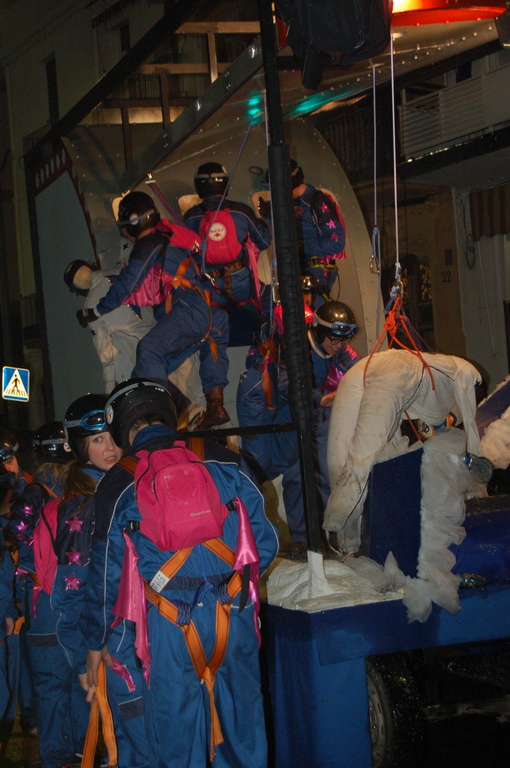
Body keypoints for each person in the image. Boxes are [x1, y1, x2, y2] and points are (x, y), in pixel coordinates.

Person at [83, 378, 279, 768]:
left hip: (169, 624)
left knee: (178, 742)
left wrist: (95, 642)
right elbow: (266, 542)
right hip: (233, 615)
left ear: (122, 427)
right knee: (243, 732)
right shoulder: (226, 459)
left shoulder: (117, 483)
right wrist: (231, 587)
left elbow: (105, 576)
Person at [76, 191, 230, 428]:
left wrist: (95, 312)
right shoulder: (173, 238)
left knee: (148, 350)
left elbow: (128, 283)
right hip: (206, 311)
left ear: (131, 226)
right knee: (143, 373)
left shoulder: (150, 243)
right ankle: (203, 408)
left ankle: (162, 418)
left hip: (186, 309)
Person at [324, 349, 484, 554]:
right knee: (365, 453)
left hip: (366, 368)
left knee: (344, 453)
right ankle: (342, 525)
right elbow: (470, 431)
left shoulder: (446, 378)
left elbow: (434, 426)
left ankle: (348, 542)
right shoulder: (467, 376)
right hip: (401, 370)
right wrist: (477, 485)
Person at [237, 300, 359, 559]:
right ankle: (244, 539)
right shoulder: (293, 346)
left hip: (296, 407)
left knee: (298, 471)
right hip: (261, 399)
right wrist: (324, 399)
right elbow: (287, 386)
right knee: (257, 471)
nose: (338, 346)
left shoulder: (336, 346)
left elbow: (358, 369)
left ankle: (304, 541)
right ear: (319, 332)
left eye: (343, 341)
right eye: (334, 340)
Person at [8, 421, 90, 768]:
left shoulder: (33, 493)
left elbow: (15, 534)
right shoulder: (85, 486)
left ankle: (57, 758)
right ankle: (86, 751)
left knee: (50, 686)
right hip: (80, 595)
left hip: (42, 601)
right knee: (82, 678)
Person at [184, 161, 271, 311]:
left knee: (216, 331)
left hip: (209, 288)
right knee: (256, 318)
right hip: (242, 286)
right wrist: (266, 220)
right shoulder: (242, 211)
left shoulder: (190, 217)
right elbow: (264, 241)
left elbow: (185, 253)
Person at [64, 259, 154, 394]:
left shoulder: (91, 310)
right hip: (166, 324)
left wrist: (110, 387)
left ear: (76, 290)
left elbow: (105, 354)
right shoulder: (118, 269)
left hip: (149, 353)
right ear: (90, 265)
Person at [0, 427, 38, 739]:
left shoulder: (31, 490)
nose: (8, 466)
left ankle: (30, 717)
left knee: (27, 665)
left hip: (27, 588)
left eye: (10, 458)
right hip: (6, 599)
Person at [260, 159, 346, 297]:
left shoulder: (317, 201)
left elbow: (336, 241)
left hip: (315, 272)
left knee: (310, 314)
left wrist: (301, 247)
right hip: (292, 268)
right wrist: (268, 217)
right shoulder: (287, 203)